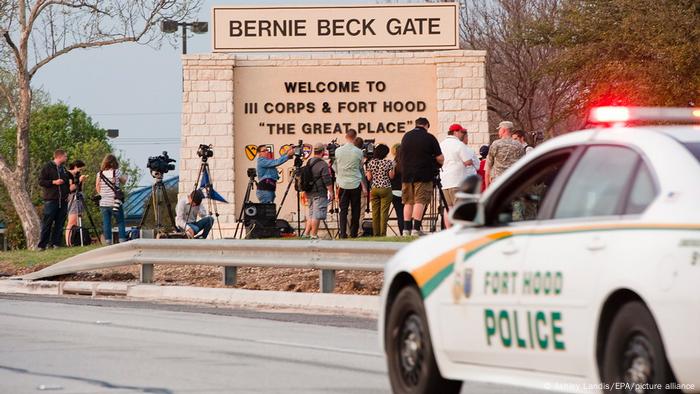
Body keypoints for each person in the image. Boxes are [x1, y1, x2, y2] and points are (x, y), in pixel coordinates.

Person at [399, 117, 444, 236]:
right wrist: (437, 164)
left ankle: (406, 229)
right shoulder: (429, 137)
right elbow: (440, 158)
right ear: (426, 125)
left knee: (408, 202)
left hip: (406, 175)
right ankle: (416, 229)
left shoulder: (406, 136)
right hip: (423, 174)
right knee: (420, 201)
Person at [439, 124, 480, 210]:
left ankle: (449, 224)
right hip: (457, 181)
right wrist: (471, 161)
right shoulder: (459, 144)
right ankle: (458, 224)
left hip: (444, 182)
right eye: (461, 132)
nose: (462, 134)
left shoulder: (441, 144)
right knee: (459, 208)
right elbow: (467, 161)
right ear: (455, 132)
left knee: (448, 208)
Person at [332, 129, 363, 238]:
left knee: (343, 210)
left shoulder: (338, 151)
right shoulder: (359, 152)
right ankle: (354, 233)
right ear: (355, 137)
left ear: (346, 136)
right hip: (355, 183)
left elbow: (334, 166)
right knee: (356, 209)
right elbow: (360, 166)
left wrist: (339, 173)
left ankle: (343, 233)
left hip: (342, 184)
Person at [37, 149, 70, 250]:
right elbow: (41, 181)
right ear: (59, 157)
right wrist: (53, 182)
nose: (66, 158)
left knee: (60, 223)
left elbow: (67, 182)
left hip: (63, 200)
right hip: (51, 200)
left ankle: (56, 243)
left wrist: (67, 194)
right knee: (48, 223)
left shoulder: (63, 169)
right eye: (65, 156)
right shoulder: (47, 167)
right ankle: (42, 245)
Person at [302, 143, 334, 239]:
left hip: (309, 192)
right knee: (317, 214)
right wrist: (331, 192)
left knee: (311, 214)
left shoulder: (309, 161)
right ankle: (314, 235)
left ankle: (306, 234)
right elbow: (327, 180)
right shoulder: (322, 164)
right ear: (323, 152)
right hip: (319, 192)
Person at [95, 154, 127, 245]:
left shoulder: (99, 174)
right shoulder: (116, 172)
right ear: (114, 163)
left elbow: (97, 186)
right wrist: (125, 176)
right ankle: (122, 240)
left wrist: (102, 194)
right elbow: (123, 182)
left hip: (103, 202)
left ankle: (108, 241)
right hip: (114, 201)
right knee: (120, 221)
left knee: (106, 222)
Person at [365, 144, 394, 237]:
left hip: (374, 188)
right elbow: (391, 176)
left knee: (375, 213)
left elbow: (369, 178)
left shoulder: (371, 163)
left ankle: (376, 233)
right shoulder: (388, 162)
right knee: (384, 213)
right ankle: (383, 234)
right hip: (386, 188)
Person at [485, 121, 524, 189]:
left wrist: (487, 188)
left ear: (503, 130)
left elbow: (488, 167)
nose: (498, 132)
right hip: (513, 182)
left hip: (497, 183)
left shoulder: (496, 144)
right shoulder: (519, 145)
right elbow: (522, 165)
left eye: (499, 129)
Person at [64, 160, 87, 246]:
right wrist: (79, 181)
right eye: (80, 169)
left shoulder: (78, 175)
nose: (81, 171)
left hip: (79, 197)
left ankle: (75, 240)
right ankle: (68, 242)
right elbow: (70, 188)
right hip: (72, 198)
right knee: (72, 221)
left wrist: (82, 181)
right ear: (76, 167)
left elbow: (80, 188)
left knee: (78, 221)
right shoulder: (68, 175)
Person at [390, 144, 405, 236]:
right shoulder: (407, 163)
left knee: (399, 214)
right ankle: (408, 231)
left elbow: (391, 176)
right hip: (406, 191)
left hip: (395, 191)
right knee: (407, 214)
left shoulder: (393, 163)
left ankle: (401, 232)